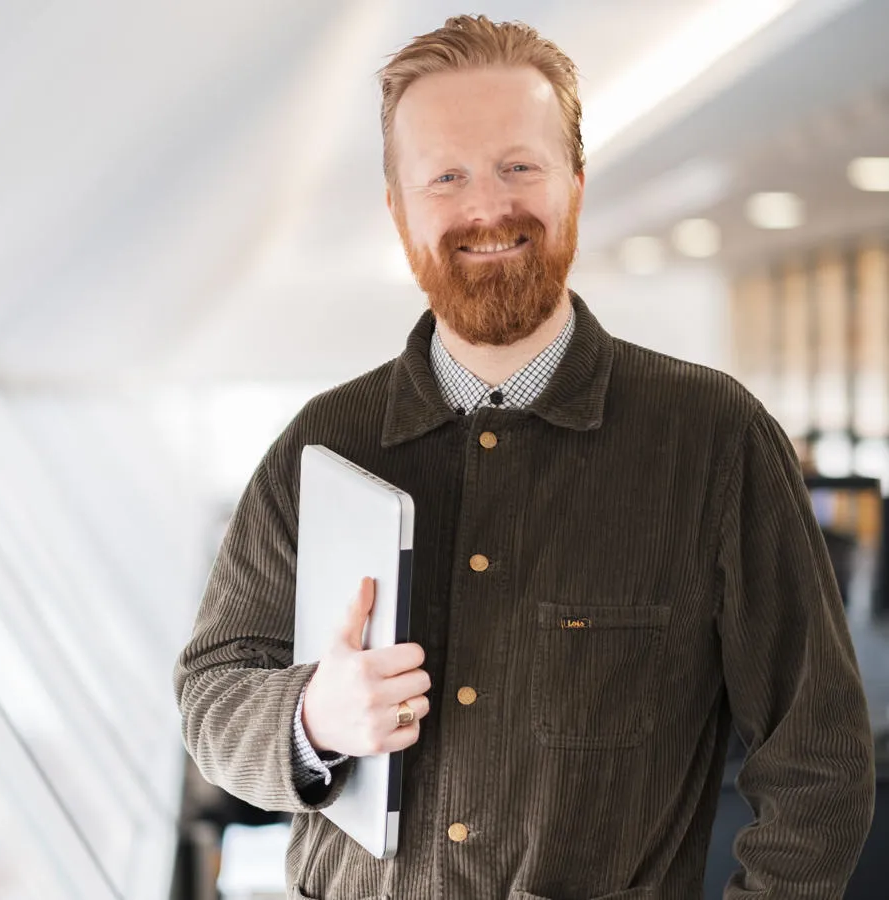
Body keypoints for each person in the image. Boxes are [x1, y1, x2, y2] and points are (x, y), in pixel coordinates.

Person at [174, 14, 876, 900]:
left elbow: (816, 762)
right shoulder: (320, 446)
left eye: (519, 166)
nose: (485, 208)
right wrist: (312, 715)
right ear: (398, 208)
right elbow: (212, 696)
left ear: (574, 186)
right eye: (446, 177)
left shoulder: (714, 438)